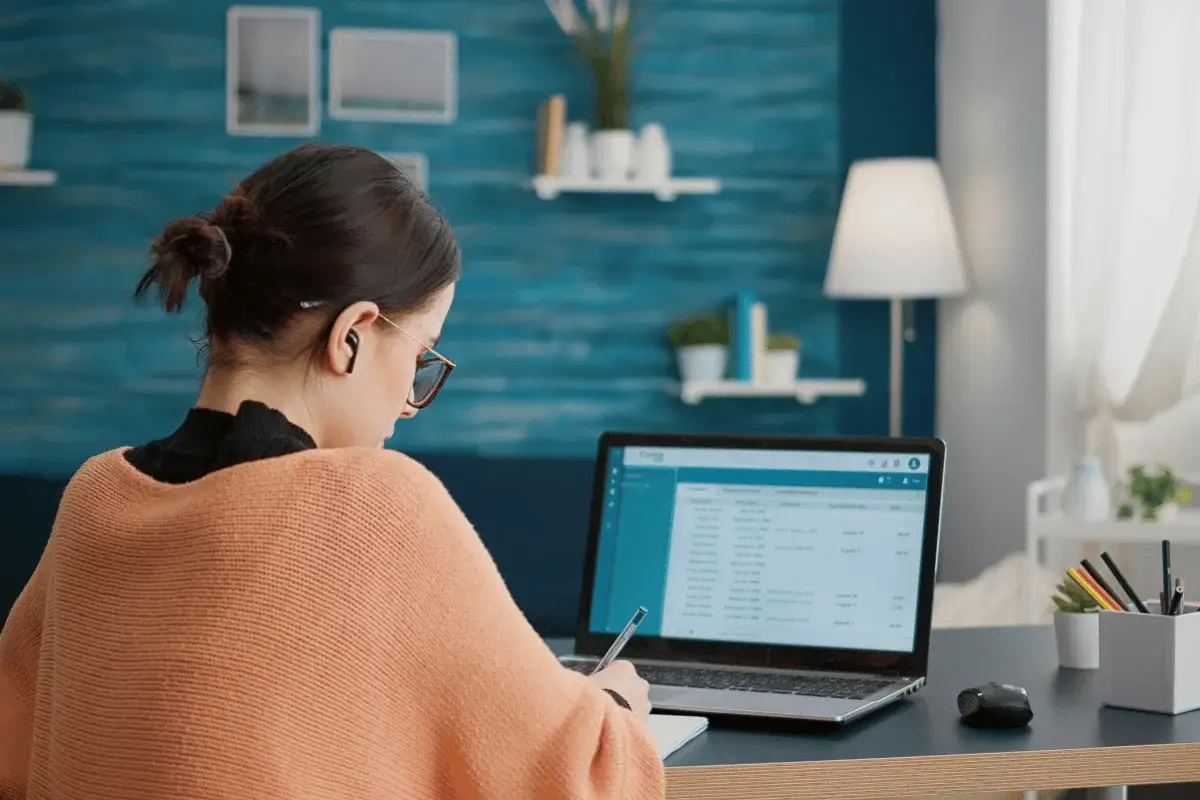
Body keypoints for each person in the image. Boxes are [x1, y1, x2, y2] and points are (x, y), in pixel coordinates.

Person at [0, 143, 663, 800]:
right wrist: (617, 709)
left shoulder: (94, 498)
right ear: (352, 336)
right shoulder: (374, 506)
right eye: (422, 356)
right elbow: (582, 781)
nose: (409, 405)